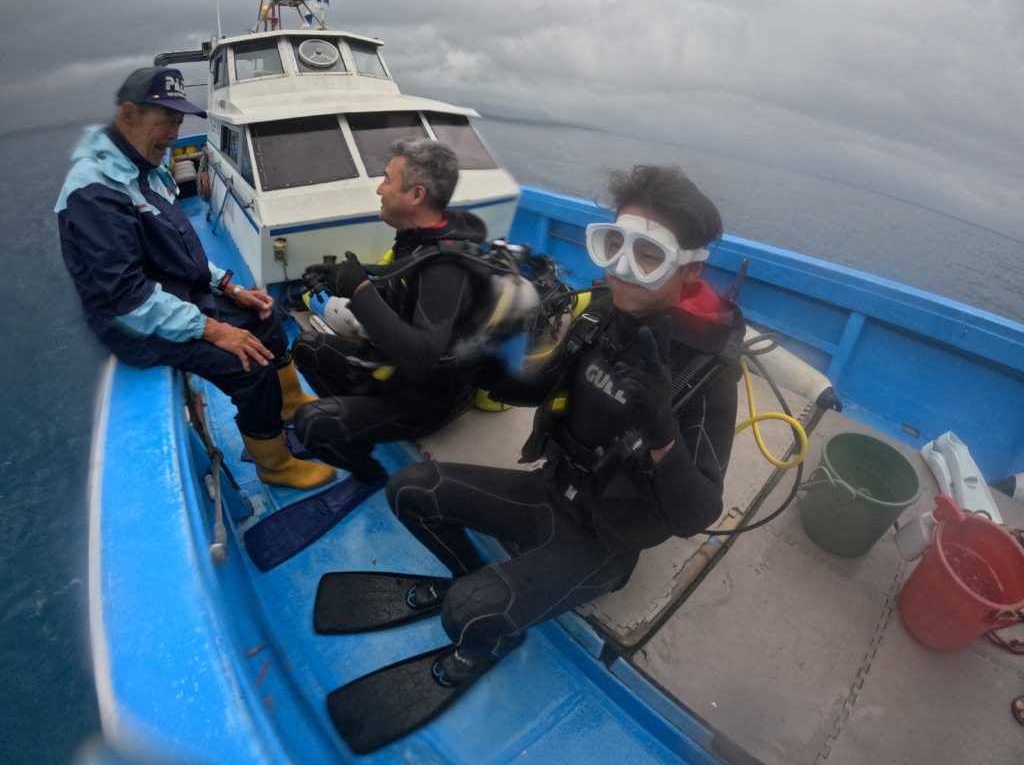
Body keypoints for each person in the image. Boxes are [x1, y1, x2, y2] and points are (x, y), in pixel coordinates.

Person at [385, 164, 744, 684]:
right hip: (550, 491)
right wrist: (480, 356)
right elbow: (540, 386)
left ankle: (492, 624)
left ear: (689, 270)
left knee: (467, 615)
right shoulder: (602, 313)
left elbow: (697, 512)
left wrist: (662, 430)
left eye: (648, 254)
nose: (622, 267)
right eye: (614, 244)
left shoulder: (707, 370)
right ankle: (474, 576)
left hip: (605, 538)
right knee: (409, 489)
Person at [55, 66, 333, 490]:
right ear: (129, 115)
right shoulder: (95, 190)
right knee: (249, 363)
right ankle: (275, 465)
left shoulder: (148, 168)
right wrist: (214, 329)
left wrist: (230, 288)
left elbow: (183, 253)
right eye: (166, 121)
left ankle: (290, 403)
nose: (174, 134)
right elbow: (125, 297)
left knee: (265, 316)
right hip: (136, 323)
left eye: (178, 121)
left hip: (177, 298)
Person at [291, 137, 489, 485]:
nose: (379, 189)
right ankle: (357, 421)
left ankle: (369, 474)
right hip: (392, 367)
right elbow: (403, 283)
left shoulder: (446, 267)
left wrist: (360, 291)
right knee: (306, 346)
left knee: (310, 421)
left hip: (427, 398)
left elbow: (421, 360)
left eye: (386, 180)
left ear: (416, 195)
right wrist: (348, 276)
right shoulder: (418, 241)